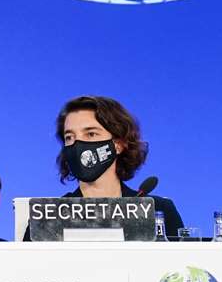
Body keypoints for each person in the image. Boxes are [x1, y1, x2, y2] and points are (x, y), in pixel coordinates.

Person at [47, 94, 185, 237]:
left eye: (91, 134)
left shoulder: (157, 211)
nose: (77, 144)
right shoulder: (49, 217)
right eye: (69, 137)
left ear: (118, 144)